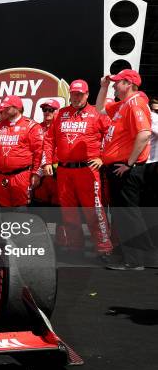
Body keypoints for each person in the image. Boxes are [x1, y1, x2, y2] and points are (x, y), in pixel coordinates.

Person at [42, 80, 113, 257]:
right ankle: (75, 247)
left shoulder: (97, 113)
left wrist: (102, 157)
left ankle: (104, 247)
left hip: (87, 170)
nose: (76, 97)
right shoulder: (61, 114)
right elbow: (49, 140)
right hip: (65, 171)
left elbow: (111, 135)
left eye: (80, 94)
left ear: (87, 95)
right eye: (73, 94)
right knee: (68, 212)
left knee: (94, 211)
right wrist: (47, 162)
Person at [96, 69, 153, 270]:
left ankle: (137, 260)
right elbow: (100, 109)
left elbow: (145, 133)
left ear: (129, 83)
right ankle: (131, 257)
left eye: (117, 82)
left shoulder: (136, 103)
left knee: (128, 214)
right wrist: (103, 86)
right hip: (119, 167)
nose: (114, 85)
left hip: (126, 169)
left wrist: (129, 163)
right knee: (123, 214)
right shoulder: (124, 104)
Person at [0, 95, 43, 207]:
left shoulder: (31, 126)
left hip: (21, 176)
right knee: (1, 209)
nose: (4, 110)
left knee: (21, 210)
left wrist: (36, 173)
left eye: (7, 107)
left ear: (17, 108)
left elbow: (39, 152)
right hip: (0, 176)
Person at [33, 99, 60, 206]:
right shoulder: (37, 128)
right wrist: (37, 172)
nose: (47, 112)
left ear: (57, 111)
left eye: (50, 110)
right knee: (40, 198)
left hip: (57, 170)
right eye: (44, 110)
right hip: (41, 170)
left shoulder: (62, 127)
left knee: (58, 199)